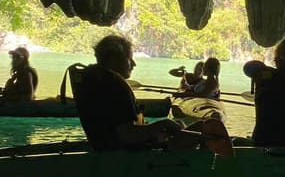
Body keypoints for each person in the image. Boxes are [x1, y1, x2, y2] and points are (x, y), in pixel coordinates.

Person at [73, 34, 201, 151]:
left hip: (105, 146)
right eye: (129, 59)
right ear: (113, 60)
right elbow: (126, 135)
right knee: (206, 127)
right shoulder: (115, 85)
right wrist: (164, 124)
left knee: (179, 125)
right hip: (128, 154)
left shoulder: (95, 80)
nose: (134, 64)